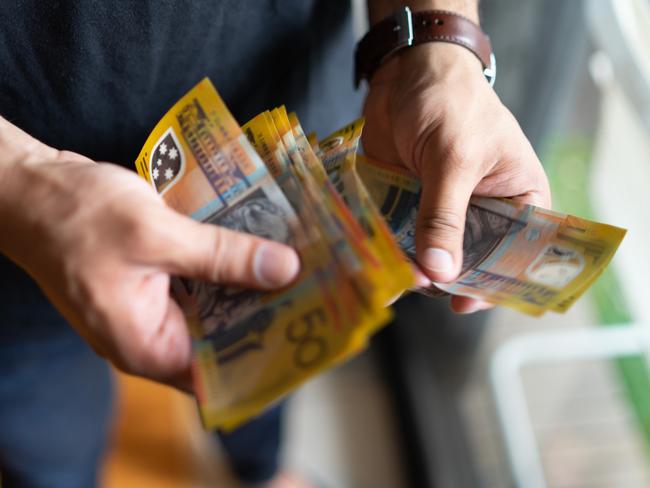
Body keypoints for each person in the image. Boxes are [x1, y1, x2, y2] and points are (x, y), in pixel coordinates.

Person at [0, 0, 551, 487]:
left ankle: (259, 469)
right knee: (48, 444)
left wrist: (439, 47)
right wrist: (23, 184)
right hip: (15, 245)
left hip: (296, 124)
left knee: (274, 351)